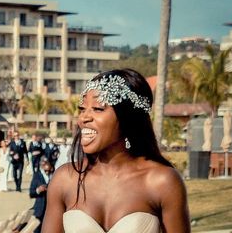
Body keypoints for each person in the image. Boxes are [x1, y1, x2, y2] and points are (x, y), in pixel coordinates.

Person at [43, 68, 190, 233]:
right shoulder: (65, 179)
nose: (83, 118)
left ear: (128, 118)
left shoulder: (162, 182)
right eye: (82, 109)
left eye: (98, 109)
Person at [30, 156, 54, 233]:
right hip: (40, 209)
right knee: (37, 229)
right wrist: (38, 190)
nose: (46, 166)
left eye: (47, 163)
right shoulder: (37, 176)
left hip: (52, 209)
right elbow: (31, 193)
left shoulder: (55, 174)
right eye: (43, 163)